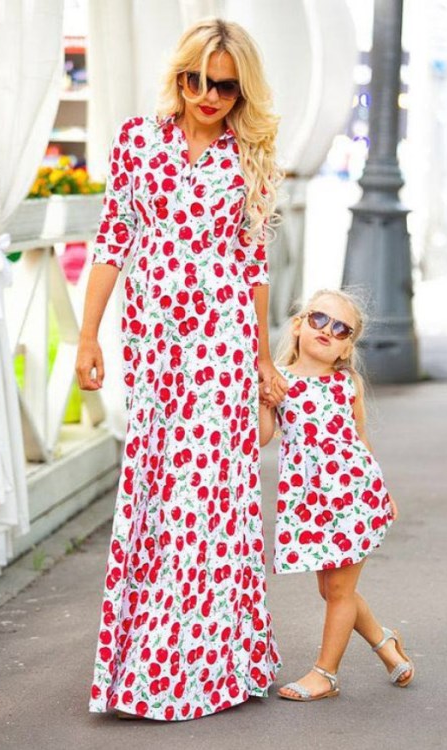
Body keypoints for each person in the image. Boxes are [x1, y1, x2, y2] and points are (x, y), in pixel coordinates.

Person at [76, 18, 289, 721]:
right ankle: (149, 659)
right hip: (153, 349)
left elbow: (253, 264)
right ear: (180, 77)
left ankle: (199, 668)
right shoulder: (138, 140)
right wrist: (88, 337)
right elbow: (113, 238)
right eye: (197, 80)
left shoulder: (249, 156)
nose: (209, 95)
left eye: (225, 86)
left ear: (241, 91)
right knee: (157, 493)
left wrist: (262, 358)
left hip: (222, 349)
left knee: (207, 499)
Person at [258, 288, 415, 701]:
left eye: (341, 329)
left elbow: (360, 440)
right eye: (318, 319)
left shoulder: (347, 383)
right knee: (330, 590)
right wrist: (262, 398)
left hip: (354, 497)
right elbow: (262, 437)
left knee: (340, 592)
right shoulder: (279, 379)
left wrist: (382, 491)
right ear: (298, 325)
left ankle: (324, 674)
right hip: (311, 505)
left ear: (346, 347)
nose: (328, 330)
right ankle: (384, 642)